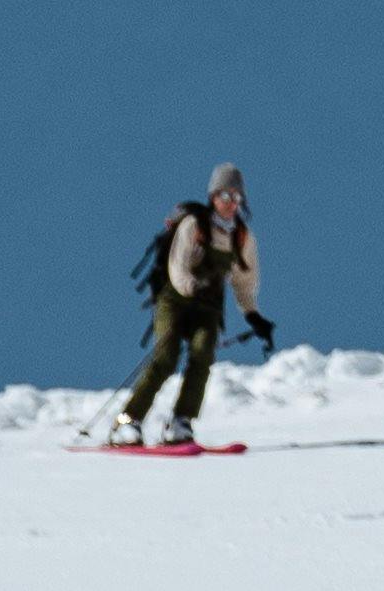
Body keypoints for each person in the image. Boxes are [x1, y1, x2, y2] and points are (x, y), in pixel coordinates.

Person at [113, 168, 268, 444]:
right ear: (213, 196)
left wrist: (252, 314)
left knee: (203, 354)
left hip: (208, 309)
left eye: (236, 196)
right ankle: (127, 421)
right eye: (224, 195)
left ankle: (181, 421)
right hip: (175, 301)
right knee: (166, 356)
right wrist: (191, 288)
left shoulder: (242, 237)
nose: (231, 202)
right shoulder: (194, 226)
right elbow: (178, 267)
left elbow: (244, 282)